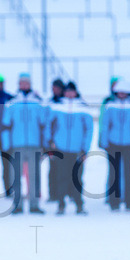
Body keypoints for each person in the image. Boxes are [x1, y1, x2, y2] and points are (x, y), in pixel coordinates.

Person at [2, 74, 49, 214]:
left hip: (34, 144)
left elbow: (43, 124)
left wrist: (44, 144)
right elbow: (6, 125)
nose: (24, 85)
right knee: (16, 176)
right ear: (19, 84)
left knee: (35, 175)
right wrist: (6, 145)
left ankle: (34, 204)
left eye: (26, 83)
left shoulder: (38, 102)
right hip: (17, 143)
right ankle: (18, 204)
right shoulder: (12, 102)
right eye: (22, 83)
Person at [98, 80, 130, 212]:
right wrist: (105, 142)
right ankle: (114, 202)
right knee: (113, 173)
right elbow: (105, 125)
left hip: (129, 144)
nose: (122, 94)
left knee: (129, 173)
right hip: (113, 143)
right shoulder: (110, 106)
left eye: (124, 92)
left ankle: (129, 202)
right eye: (119, 92)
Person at [49, 82, 93, 215]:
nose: (69, 94)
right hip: (61, 148)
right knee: (61, 176)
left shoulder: (83, 108)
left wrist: (85, 148)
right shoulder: (57, 106)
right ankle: (61, 204)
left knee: (77, 177)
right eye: (67, 91)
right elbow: (49, 126)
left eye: (71, 91)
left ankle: (79, 204)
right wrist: (50, 143)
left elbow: (88, 129)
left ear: (75, 92)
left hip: (77, 149)